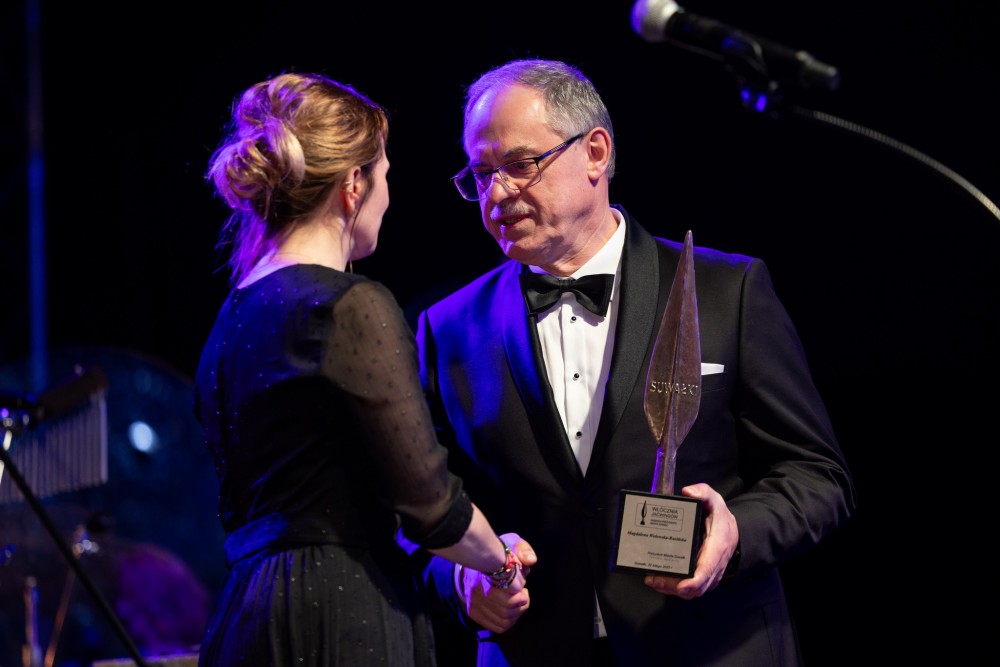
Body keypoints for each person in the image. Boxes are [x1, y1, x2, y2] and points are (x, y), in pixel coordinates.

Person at [412, 59, 857, 666]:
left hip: (711, 645)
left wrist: (735, 533)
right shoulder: (448, 328)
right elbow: (416, 513)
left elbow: (817, 476)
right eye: (481, 174)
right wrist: (458, 578)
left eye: (519, 165)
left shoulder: (727, 289)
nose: (497, 194)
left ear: (595, 153)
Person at [192, 71, 531, 667]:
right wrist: (499, 562)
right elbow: (430, 505)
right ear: (353, 184)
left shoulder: (232, 315)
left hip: (246, 615)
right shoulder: (349, 306)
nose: (388, 196)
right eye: (386, 175)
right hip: (336, 610)